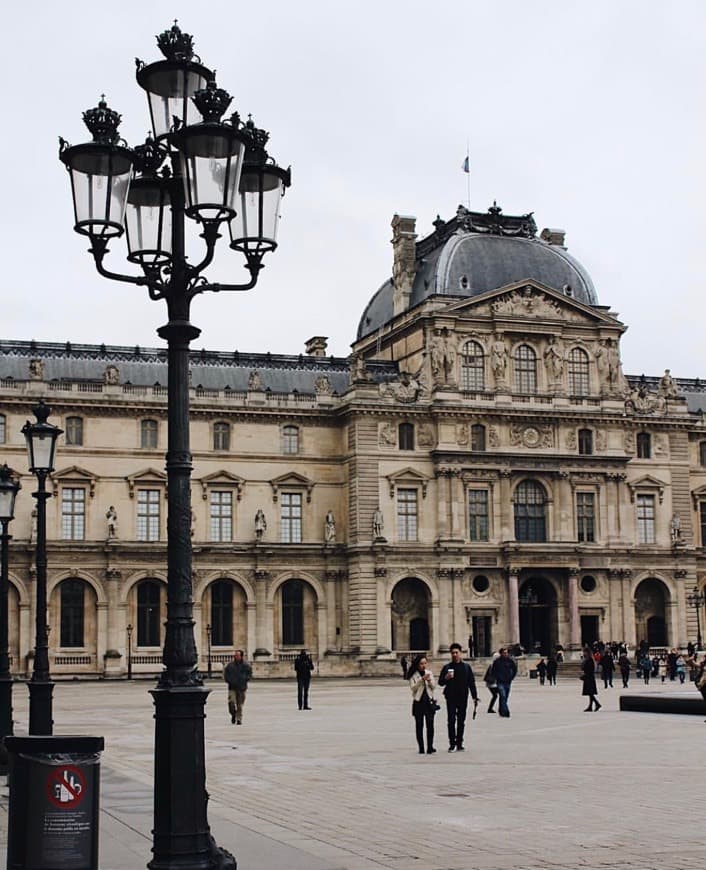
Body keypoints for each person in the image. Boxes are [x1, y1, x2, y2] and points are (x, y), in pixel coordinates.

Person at [439, 643, 478, 751]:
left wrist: (475, 697)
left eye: (456, 652)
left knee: (461, 721)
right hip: (450, 697)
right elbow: (440, 682)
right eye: (453, 653)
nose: (455, 655)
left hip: (462, 697)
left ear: (460, 653)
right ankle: (452, 743)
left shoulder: (466, 667)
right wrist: (446, 677)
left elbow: (471, 682)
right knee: (451, 720)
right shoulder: (447, 667)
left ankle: (459, 742)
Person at [407, 654, 437, 754]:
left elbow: (433, 687)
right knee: (419, 726)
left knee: (430, 725)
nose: (423, 665)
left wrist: (429, 681)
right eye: (421, 663)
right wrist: (421, 680)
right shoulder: (413, 675)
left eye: (425, 663)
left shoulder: (429, 673)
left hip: (428, 701)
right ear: (417, 664)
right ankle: (421, 747)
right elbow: (413, 688)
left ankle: (430, 746)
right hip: (418, 701)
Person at [223, 649, 252, 725]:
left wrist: (244, 679)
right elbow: (226, 675)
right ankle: (233, 714)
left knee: (240, 705)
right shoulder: (230, 665)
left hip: (242, 687)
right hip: (232, 687)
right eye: (235, 655)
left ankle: (239, 719)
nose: (236, 656)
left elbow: (249, 675)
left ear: (241, 656)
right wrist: (229, 680)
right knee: (231, 703)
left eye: (237, 655)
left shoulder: (246, 665)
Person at [490, 647, 517, 719]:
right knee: (503, 696)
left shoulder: (510, 661)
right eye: (504, 653)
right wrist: (497, 677)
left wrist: (512, 677)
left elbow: (514, 669)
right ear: (501, 653)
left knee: (505, 697)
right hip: (500, 682)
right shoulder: (497, 661)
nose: (506, 654)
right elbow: (493, 671)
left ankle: (501, 710)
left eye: (507, 653)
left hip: (508, 681)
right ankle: (506, 712)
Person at [581, 647, 601, 712]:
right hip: (588, 677)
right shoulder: (587, 659)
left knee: (590, 693)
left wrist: (585, 676)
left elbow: (589, 669)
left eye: (584, 652)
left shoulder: (590, 660)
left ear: (587, 652)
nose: (583, 653)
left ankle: (597, 704)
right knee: (590, 693)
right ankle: (590, 706)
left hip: (589, 678)